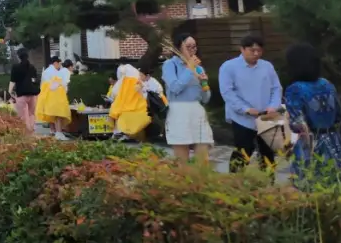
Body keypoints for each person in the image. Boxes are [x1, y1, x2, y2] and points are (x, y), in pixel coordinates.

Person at [283, 42, 341, 194]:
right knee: (340, 184)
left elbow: (299, 125)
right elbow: (339, 116)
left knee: (311, 187)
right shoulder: (327, 84)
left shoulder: (294, 89)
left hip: (312, 144)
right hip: (334, 140)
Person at [218, 34, 284, 171]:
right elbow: (227, 93)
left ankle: (268, 183)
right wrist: (245, 109)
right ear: (242, 49)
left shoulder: (267, 66)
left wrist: (273, 106)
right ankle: (236, 182)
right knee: (243, 152)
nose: (256, 54)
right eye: (252, 50)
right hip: (242, 118)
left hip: (266, 118)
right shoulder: (228, 67)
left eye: (259, 51)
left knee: (268, 153)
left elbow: (276, 88)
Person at [162, 31, 213, 166]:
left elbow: (206, 99)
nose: (192, 50)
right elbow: (175, 87)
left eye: (194, 47)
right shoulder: (170, 65)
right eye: (188, 46)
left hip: (197, 110)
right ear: (179, 47)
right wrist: (189, 69)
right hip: (178, 111)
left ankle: (201, 182)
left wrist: (204, 83)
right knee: (182, 159)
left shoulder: (199, 68)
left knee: (203, 157)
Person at [108, 62, 150, 141]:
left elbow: (114, 92)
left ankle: (120, 133)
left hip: (125, 108)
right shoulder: (137, 80)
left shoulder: (124, 81)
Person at [35, 52, 72, 140]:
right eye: (59, 63)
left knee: (51, 114)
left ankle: (53, 131)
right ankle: (58, 132)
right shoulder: (54, 72)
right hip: (56, 96)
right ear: (55, 63)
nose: (60, 66)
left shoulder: (46, 71)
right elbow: (60, 83)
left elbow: (43, 85)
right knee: (58, 115)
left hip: (47, 96)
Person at [8, 49, 40, 132]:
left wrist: (9, 93)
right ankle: (32, 131)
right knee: (31, 114)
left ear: (19, 57)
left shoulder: (15, 67)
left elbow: (12, 81)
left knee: (23, 116)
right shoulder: (32, 67)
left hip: (21, 95)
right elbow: (35, 80)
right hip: (32, 94)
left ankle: (26, 134)